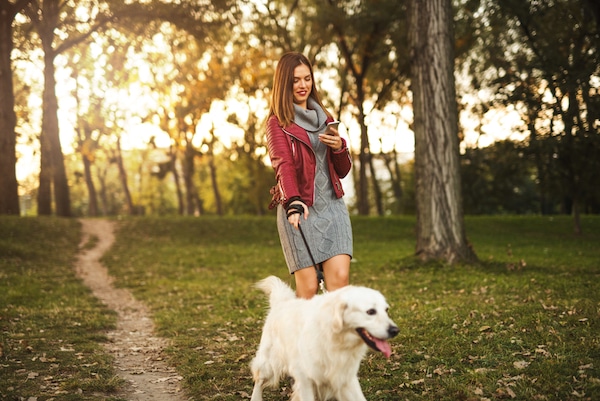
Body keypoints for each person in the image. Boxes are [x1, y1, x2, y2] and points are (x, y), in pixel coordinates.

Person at [266, 52, 353, 299]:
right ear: (285, 83)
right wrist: (293, 200)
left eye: (307, 79)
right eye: (295, 80)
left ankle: (335, 338)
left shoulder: (325, 119)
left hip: (333, 208)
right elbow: (283, 164)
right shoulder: (277, 123)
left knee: (340, 283)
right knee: (309, 290)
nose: (303, 85)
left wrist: (339, 147)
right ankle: (300, 337)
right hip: (299, 211)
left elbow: (343, 170)